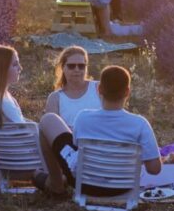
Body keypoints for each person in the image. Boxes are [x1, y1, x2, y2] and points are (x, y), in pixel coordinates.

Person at [0, 45, 74, 194]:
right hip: (29, 163)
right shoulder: (5, 102)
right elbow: (27, 137)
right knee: (51, 122)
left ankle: (53, 180)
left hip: (8, 166)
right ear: (2, 70)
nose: (20, 68)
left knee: (51, 127)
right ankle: (65, 174)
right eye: (15, 64)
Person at [69, 65, 167, 196]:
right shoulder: (140, 124)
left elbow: (75, 146)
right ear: (127, 92)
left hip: (87, 187)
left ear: (99, 89)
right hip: (123, 190)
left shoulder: (82, 118)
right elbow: (154, 169)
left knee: (51, 121)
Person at [43, 46, 101, 130]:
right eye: (71, 66)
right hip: (68, 141)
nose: (77, 69)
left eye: (81, 66)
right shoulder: (55, 98)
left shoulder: (99, 88)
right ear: (63, 67)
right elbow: (50, 129)